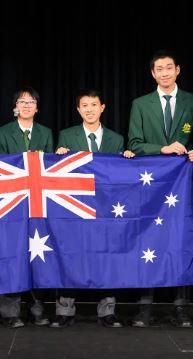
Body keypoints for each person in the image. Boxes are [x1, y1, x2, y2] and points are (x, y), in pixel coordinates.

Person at [127, 49, 193, 328]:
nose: (164, 73)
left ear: (178, 70)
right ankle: (144, 306)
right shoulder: (140, 104)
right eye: (159, 69)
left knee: (179, 241)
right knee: (147, 242)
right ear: (152, 73)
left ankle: (181, 307)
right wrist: (163, 148)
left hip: (180, 186)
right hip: (149, 187)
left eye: (169, 68)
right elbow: (134, 144)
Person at [51, 89, 135, 329]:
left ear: (102, 108)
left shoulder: (116, 139)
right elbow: (56, 175)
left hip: (106, 210)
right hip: (75, 208)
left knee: (107, 256)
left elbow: (121, 176)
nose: (89, 109)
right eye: (84, 105)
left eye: (93, 104)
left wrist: (127, 158)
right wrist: (58, 157)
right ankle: (64, 311)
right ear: (78, 110)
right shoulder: (66, 136)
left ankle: (107, 311)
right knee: (69, 256)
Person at [0, 86, 54, 328]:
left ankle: (37, 308)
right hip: (12, 202)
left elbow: (50, 166)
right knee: (12, 254)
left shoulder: (46, 133)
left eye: (31, 102)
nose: (27, 105)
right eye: (22, 102)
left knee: (39, 256)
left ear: (37, 108)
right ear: (15, 107)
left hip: (39, 203)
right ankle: (10, 311)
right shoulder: (3, 132)